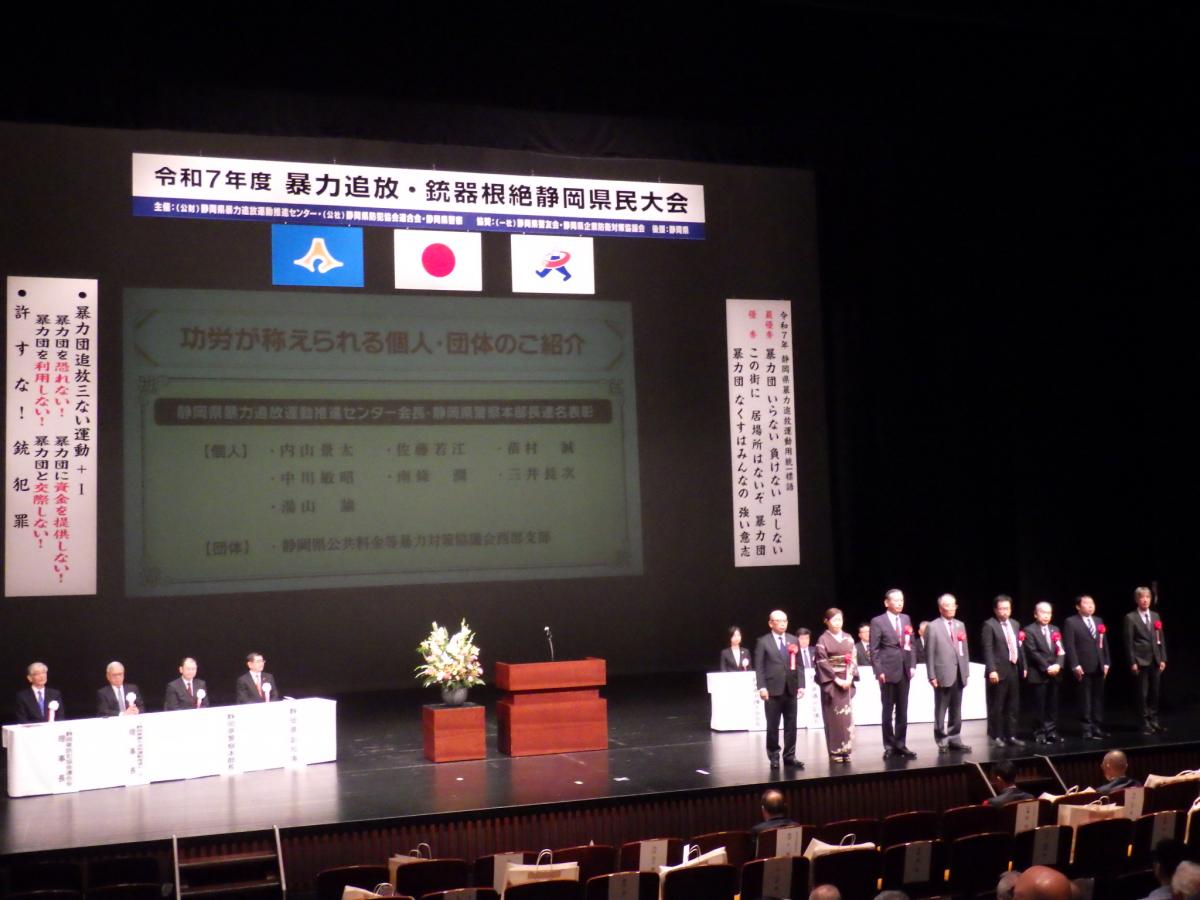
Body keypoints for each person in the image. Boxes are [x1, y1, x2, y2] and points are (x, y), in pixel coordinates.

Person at [754, 609, 805, 770]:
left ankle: (790, 756)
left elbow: (800, 665)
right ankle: (774, 756)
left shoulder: (793, 639)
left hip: (790, 688)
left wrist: (801, 685)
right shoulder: (763, 641)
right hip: (772, 689)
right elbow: (759, 667)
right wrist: (762, 687)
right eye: (779, 621)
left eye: (785, 620)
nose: (783, 624)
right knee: (772, 725)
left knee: (791, 725)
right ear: (771, 623)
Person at [869, 589, 917, 759]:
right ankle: (889, 745)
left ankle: (901, 744)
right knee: (888, 710)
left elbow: (911, 643)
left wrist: (912, 665)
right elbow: (874, 649)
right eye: (896, 600)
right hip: (887, 671)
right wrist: (879, 671)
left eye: (901, 600)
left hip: (904, 669)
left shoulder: (906, 619)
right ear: (886, 602)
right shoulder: (878, 621)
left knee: (903, 710)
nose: (899, 603)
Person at [926, 593, 972, 753]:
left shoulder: (960, 625)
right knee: (941, 709)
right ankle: (942, 739)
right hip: (942, 673)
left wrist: (966, 672)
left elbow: (964, 650)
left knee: (956, 709)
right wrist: (931, 675)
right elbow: (929, 653)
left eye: (954, 605)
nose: (951, 608)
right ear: (940, 608)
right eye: (948, 605)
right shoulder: (933, 626)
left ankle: (955, 738)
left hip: (959, 672)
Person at [1063, 594, 1110, 739]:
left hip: (1099, 665)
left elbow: (1104, 643)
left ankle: (1097, 727)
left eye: (1092, 603)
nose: (1090, 606)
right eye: (1086, 603)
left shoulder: (1098, 621)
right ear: (1078, 606)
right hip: (1083, 666)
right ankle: (1086, 729)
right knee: (1085, 699)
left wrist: (1106, 662)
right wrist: (1075, 665)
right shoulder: (1071, 622)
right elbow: (1070, 645)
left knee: (1098, 698)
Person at [981, 594, 1026, 747]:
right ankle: (996, 736)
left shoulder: (1015, 624)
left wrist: (1023, 666)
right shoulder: (989, 625)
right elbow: (987, 649)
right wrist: (991, 670)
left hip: (1013, 668)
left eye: (1007, 608)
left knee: (1013, 705)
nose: (1004, 612)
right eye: (1001, 609)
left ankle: (1011, 735)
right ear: (995, 610)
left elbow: (1019, 646)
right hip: (998, 671)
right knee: (997, 706)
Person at [814, 607, 856, 763]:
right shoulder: (822, 640)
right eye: (834, 620)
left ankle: (846, 750)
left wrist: (849, 678)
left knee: (846, 717)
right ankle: (835, 751)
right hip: (831, 682)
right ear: (826, 621)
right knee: (833, 717)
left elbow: (853, 659)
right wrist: (837, 680)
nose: (838, 622)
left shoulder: (848, 638)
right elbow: (822, 662)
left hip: (846, 679)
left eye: (840, 619)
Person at [1125, 586, 1168, 734]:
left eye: (1148, 597)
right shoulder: (1131, 617)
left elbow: (1160, 638)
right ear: (1137, 600)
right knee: (1142, 693)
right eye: (1142, 597)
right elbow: (1128, 642)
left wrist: (1163, 658)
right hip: (1140, 660)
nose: (1145, 600)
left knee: (1155, 692)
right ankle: (1143, 722)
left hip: (1155, 659)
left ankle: (1153, 720)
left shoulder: (1155, 616)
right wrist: (1132, 662)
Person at [1024, 602, 1065, 744]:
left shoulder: (1055, 629)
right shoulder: (1029, 630)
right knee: (1039, 705)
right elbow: (1032, 652)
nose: (1046, 616)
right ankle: (1039, 732)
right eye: (1043, 612)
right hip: (1039, 673)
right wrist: (1047, 667)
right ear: (1036, 614)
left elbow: (1061, 650)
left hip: (1055, 673)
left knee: (1052, 705)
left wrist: (1058, 665)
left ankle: (1051, 731)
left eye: (1049, 613)